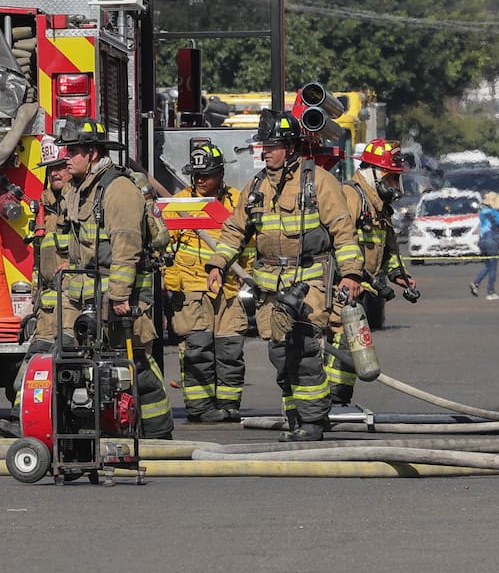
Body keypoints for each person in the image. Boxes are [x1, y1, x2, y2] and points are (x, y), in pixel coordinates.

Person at [204, 109, 365, 442]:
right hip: (270, 289)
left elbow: (343, 231)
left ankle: (314, 420)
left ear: (290, 148)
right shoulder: (257, 186)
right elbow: (235, 229)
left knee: (304, 350)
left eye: (272, 145)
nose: (265, 151)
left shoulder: (318, 181)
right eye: (264, 145)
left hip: (309, 284)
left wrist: (350, 274)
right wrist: (217, 264)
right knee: (280, 353)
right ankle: (295, 418)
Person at [57, 118, 174, 440]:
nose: (66, 156)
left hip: (121, 299)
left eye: (74, 150)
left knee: (136, 367)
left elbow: (126, 248)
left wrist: (121, 296)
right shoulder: (80, 189)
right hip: (92, 296)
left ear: (93, 153)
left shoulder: (118, 189)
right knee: (97, 366)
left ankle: (158, 436)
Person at [162, 140, 251, 423]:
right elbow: (165, 247)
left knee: (230, 349)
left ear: (220, 174)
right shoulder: (180, 205)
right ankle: (200, 408)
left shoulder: (237, 202)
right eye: (196, 175)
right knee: (197, 349)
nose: (200, 180)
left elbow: (249, 244)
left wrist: (245, 278)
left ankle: (228, 405)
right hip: (192, 289)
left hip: (229, 287)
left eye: (207, 175)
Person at [325, 138, 417, 407]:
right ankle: (332, 399)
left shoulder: (377, 203)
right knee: (343, 338)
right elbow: (339, 239)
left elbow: (384, 247)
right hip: (341, 284)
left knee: (351, 340)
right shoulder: (351, 196)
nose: (394, 185)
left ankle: (338, 400)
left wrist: (398, 274)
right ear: (373, 172)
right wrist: (350, 275)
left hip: (361, 288)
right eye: (390, 179)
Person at [0, 139, 73, 438]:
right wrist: (35, 304)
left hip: (76, 304)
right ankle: (20, 419)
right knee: (34, 362)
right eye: (50, 169)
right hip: (49, 309)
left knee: (66, 367)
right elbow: (42, 266)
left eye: (61, 167)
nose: (55, 173)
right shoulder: (45, 209)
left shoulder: (83, 205)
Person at [471, 191, 499, 301]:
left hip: (482, 242)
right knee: (493, 267)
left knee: (488, 265)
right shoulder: (496, 214)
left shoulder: (482, 213)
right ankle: (490, 292)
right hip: (492, 242)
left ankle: (476, 283)